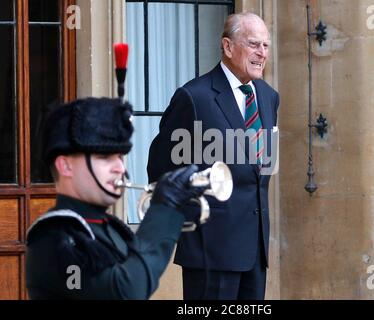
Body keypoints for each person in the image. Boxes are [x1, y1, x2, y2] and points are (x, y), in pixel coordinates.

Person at [147, 12, 279, 300]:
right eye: (254, 44)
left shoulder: (269, 97)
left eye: (266, 46)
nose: (262, 53)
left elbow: (260, 169)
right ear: (228, 47)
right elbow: (161, 170)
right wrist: (193, 221)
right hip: (210, 252)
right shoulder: (194, 97)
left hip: (255, 252)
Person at [25, 97, 205, 299]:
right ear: (65, 166)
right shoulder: (55, 238)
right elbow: (125, 292)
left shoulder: (110, 227)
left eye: (119, 157)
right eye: (104, 158)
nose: (120, 167)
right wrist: (164, 209)